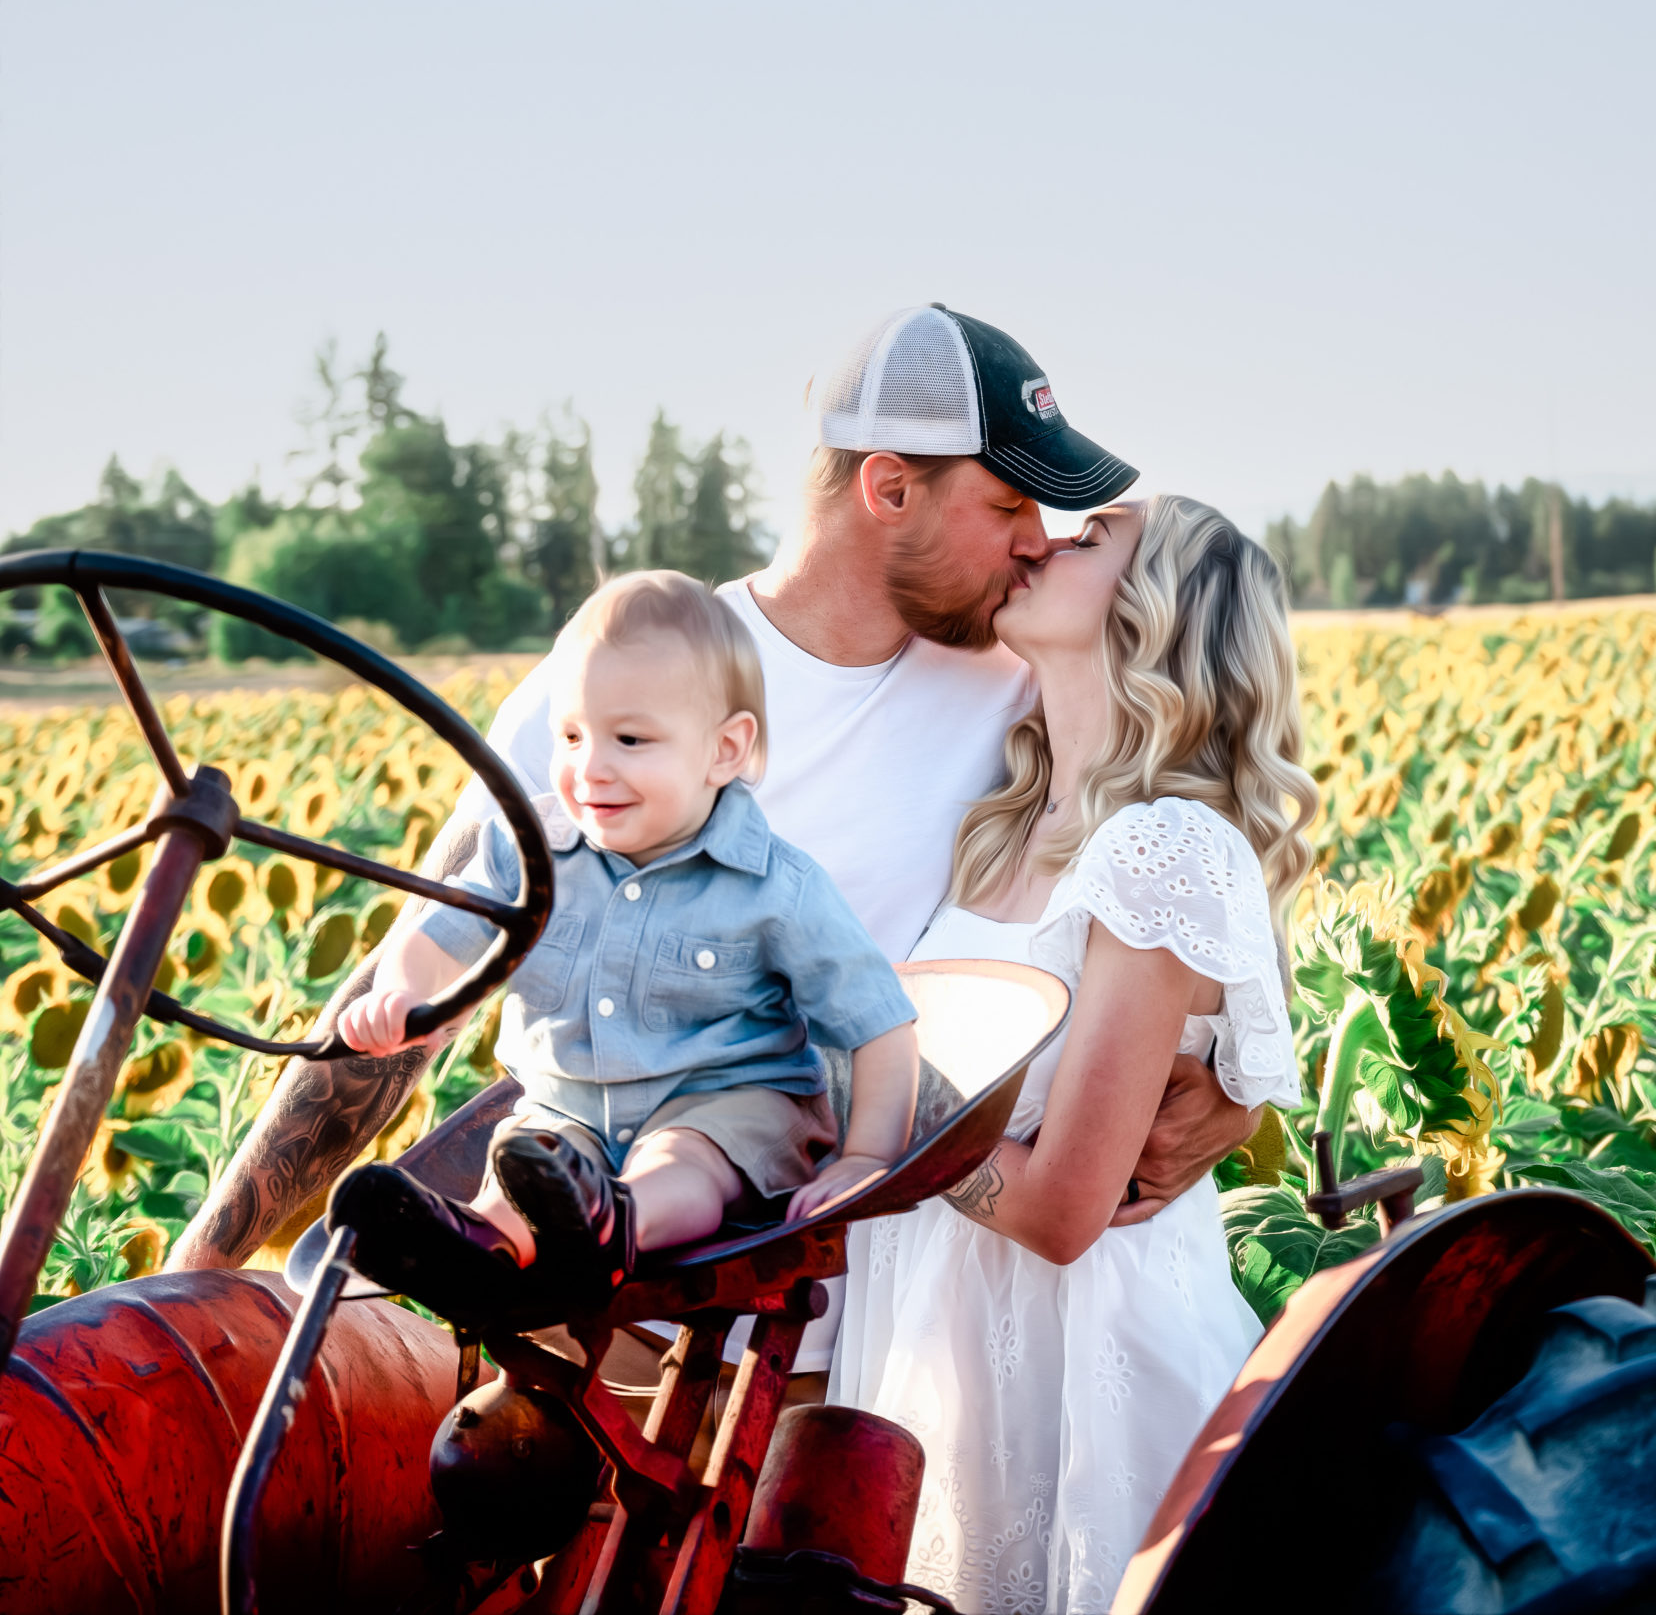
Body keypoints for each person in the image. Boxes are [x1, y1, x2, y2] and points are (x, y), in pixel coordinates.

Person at [174, 307, 1261, 1388]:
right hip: (610, 1330)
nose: (1037, 540)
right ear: (887, 489)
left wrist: (1239, 1085)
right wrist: (200, 1266)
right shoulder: (635, 672)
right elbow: (435, 957)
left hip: (860, 1331)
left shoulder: (1018, 674)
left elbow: (1194, 835)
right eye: (1007, 503)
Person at [831, 495, 1316, 1615]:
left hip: (1084, 1374)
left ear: (1157, 615)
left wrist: (872, 1127)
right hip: (942, 1338)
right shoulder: (1000, 823)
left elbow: (1060, 1211)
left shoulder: (1162, 845)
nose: (1046, 538)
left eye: (1092, 538)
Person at [325, 572, 919, 1321]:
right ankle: (475, 1246)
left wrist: (867, 1156)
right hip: (563, 1111)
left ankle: (617, 1224)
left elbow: (879, 1022)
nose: (590, 767)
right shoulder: (529, 850)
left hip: (722, 1105)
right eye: (571, 736)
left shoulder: (775, 887)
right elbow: (439, 937)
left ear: (724, 750)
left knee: (680, 1163)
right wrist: (409, 995)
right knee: (520, 1169)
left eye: (630, 740)